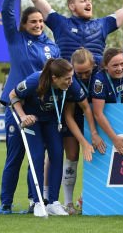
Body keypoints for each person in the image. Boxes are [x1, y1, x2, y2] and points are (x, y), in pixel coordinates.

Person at [0, 0, 62, 214]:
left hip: (42, 108)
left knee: (37, 157)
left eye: (41, 21)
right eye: (33, 21)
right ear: (24, 24)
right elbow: (7, 13)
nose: (38, 24)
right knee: (15, 155)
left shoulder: (52, 46)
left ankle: (34, 200)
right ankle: (5, 204)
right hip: (17, 105)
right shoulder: (16, 39)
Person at [8, 58, 78, 215]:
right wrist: (23, 116)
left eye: (72, 77)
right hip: (32, 121)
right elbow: (13, 95)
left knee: (57, 155)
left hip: (52, 121)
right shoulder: (35, 80)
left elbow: (83, 104)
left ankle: (53, 202)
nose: (71, 81)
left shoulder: (70, 84)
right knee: (37, 156)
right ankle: (38, 202)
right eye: (67, 78)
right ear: (54, 78)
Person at [60, 48, 105, 211]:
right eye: (79, 74)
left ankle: (87, 199)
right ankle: (68, 202)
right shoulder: (70, 81)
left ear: (93, 65)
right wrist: (83, 141)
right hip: (76, 121)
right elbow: (69, 115)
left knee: (98, 158)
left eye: (87, 72)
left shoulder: (102, 72)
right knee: (71, 156)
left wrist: (93, 133)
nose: (84, 76)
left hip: (99, 120)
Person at [89, 48, 123, 155]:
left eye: (122, 64)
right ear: (105, 66)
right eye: (115, 65)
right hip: (105, 124)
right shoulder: (99, 81)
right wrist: (114, 139)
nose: (120, 68)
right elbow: (98, 114)